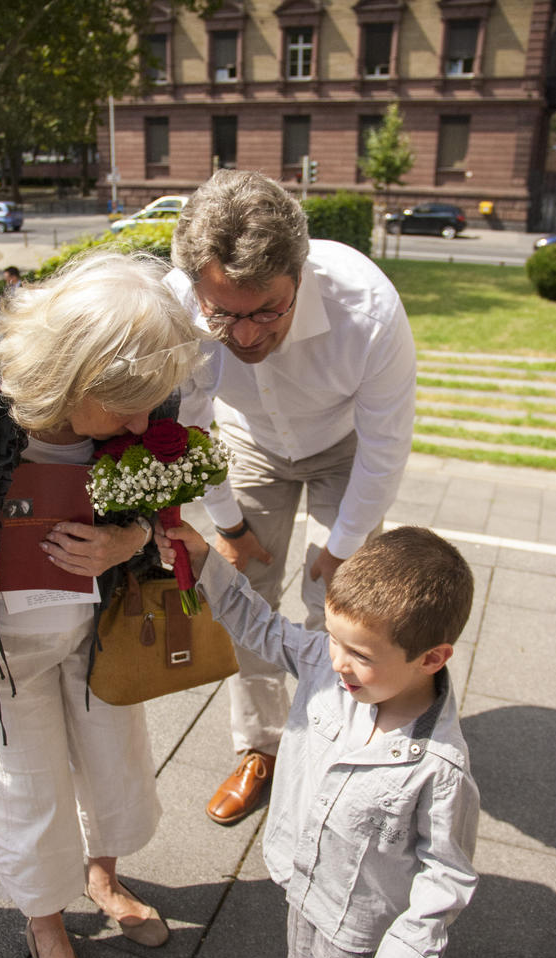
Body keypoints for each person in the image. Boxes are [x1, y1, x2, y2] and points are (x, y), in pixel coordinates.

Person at [0, 248, 208, 958]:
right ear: (68, 375)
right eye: (124, 407)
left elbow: (164, 477)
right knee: (21, 782)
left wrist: (129, 539)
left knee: (113, 760)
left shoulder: (142, 385)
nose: (142, 421)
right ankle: (45, 922)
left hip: (96, 623)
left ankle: (104, 879)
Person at [168, 170, 416, 823]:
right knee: (246, 592)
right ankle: (262, 749)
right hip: (247, 442)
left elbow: (385, 445)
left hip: (344, 445)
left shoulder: (366, 304)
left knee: (334, 609)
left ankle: (327, 743)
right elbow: (190, 428)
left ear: (298, 275)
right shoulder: (179, 308)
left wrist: (342, 547)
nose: (245, 337)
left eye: (267, 311)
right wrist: (226, 521)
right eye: (223, 314)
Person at [156, 521, 479, 958]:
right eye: (332, 638)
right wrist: (205, 560)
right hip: (300, 882)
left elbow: (445, 874)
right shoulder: (327, 668)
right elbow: (258, 624)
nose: (337, 662)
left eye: (359, 654)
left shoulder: (439, 766)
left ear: (432, 658)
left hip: (360, 929)